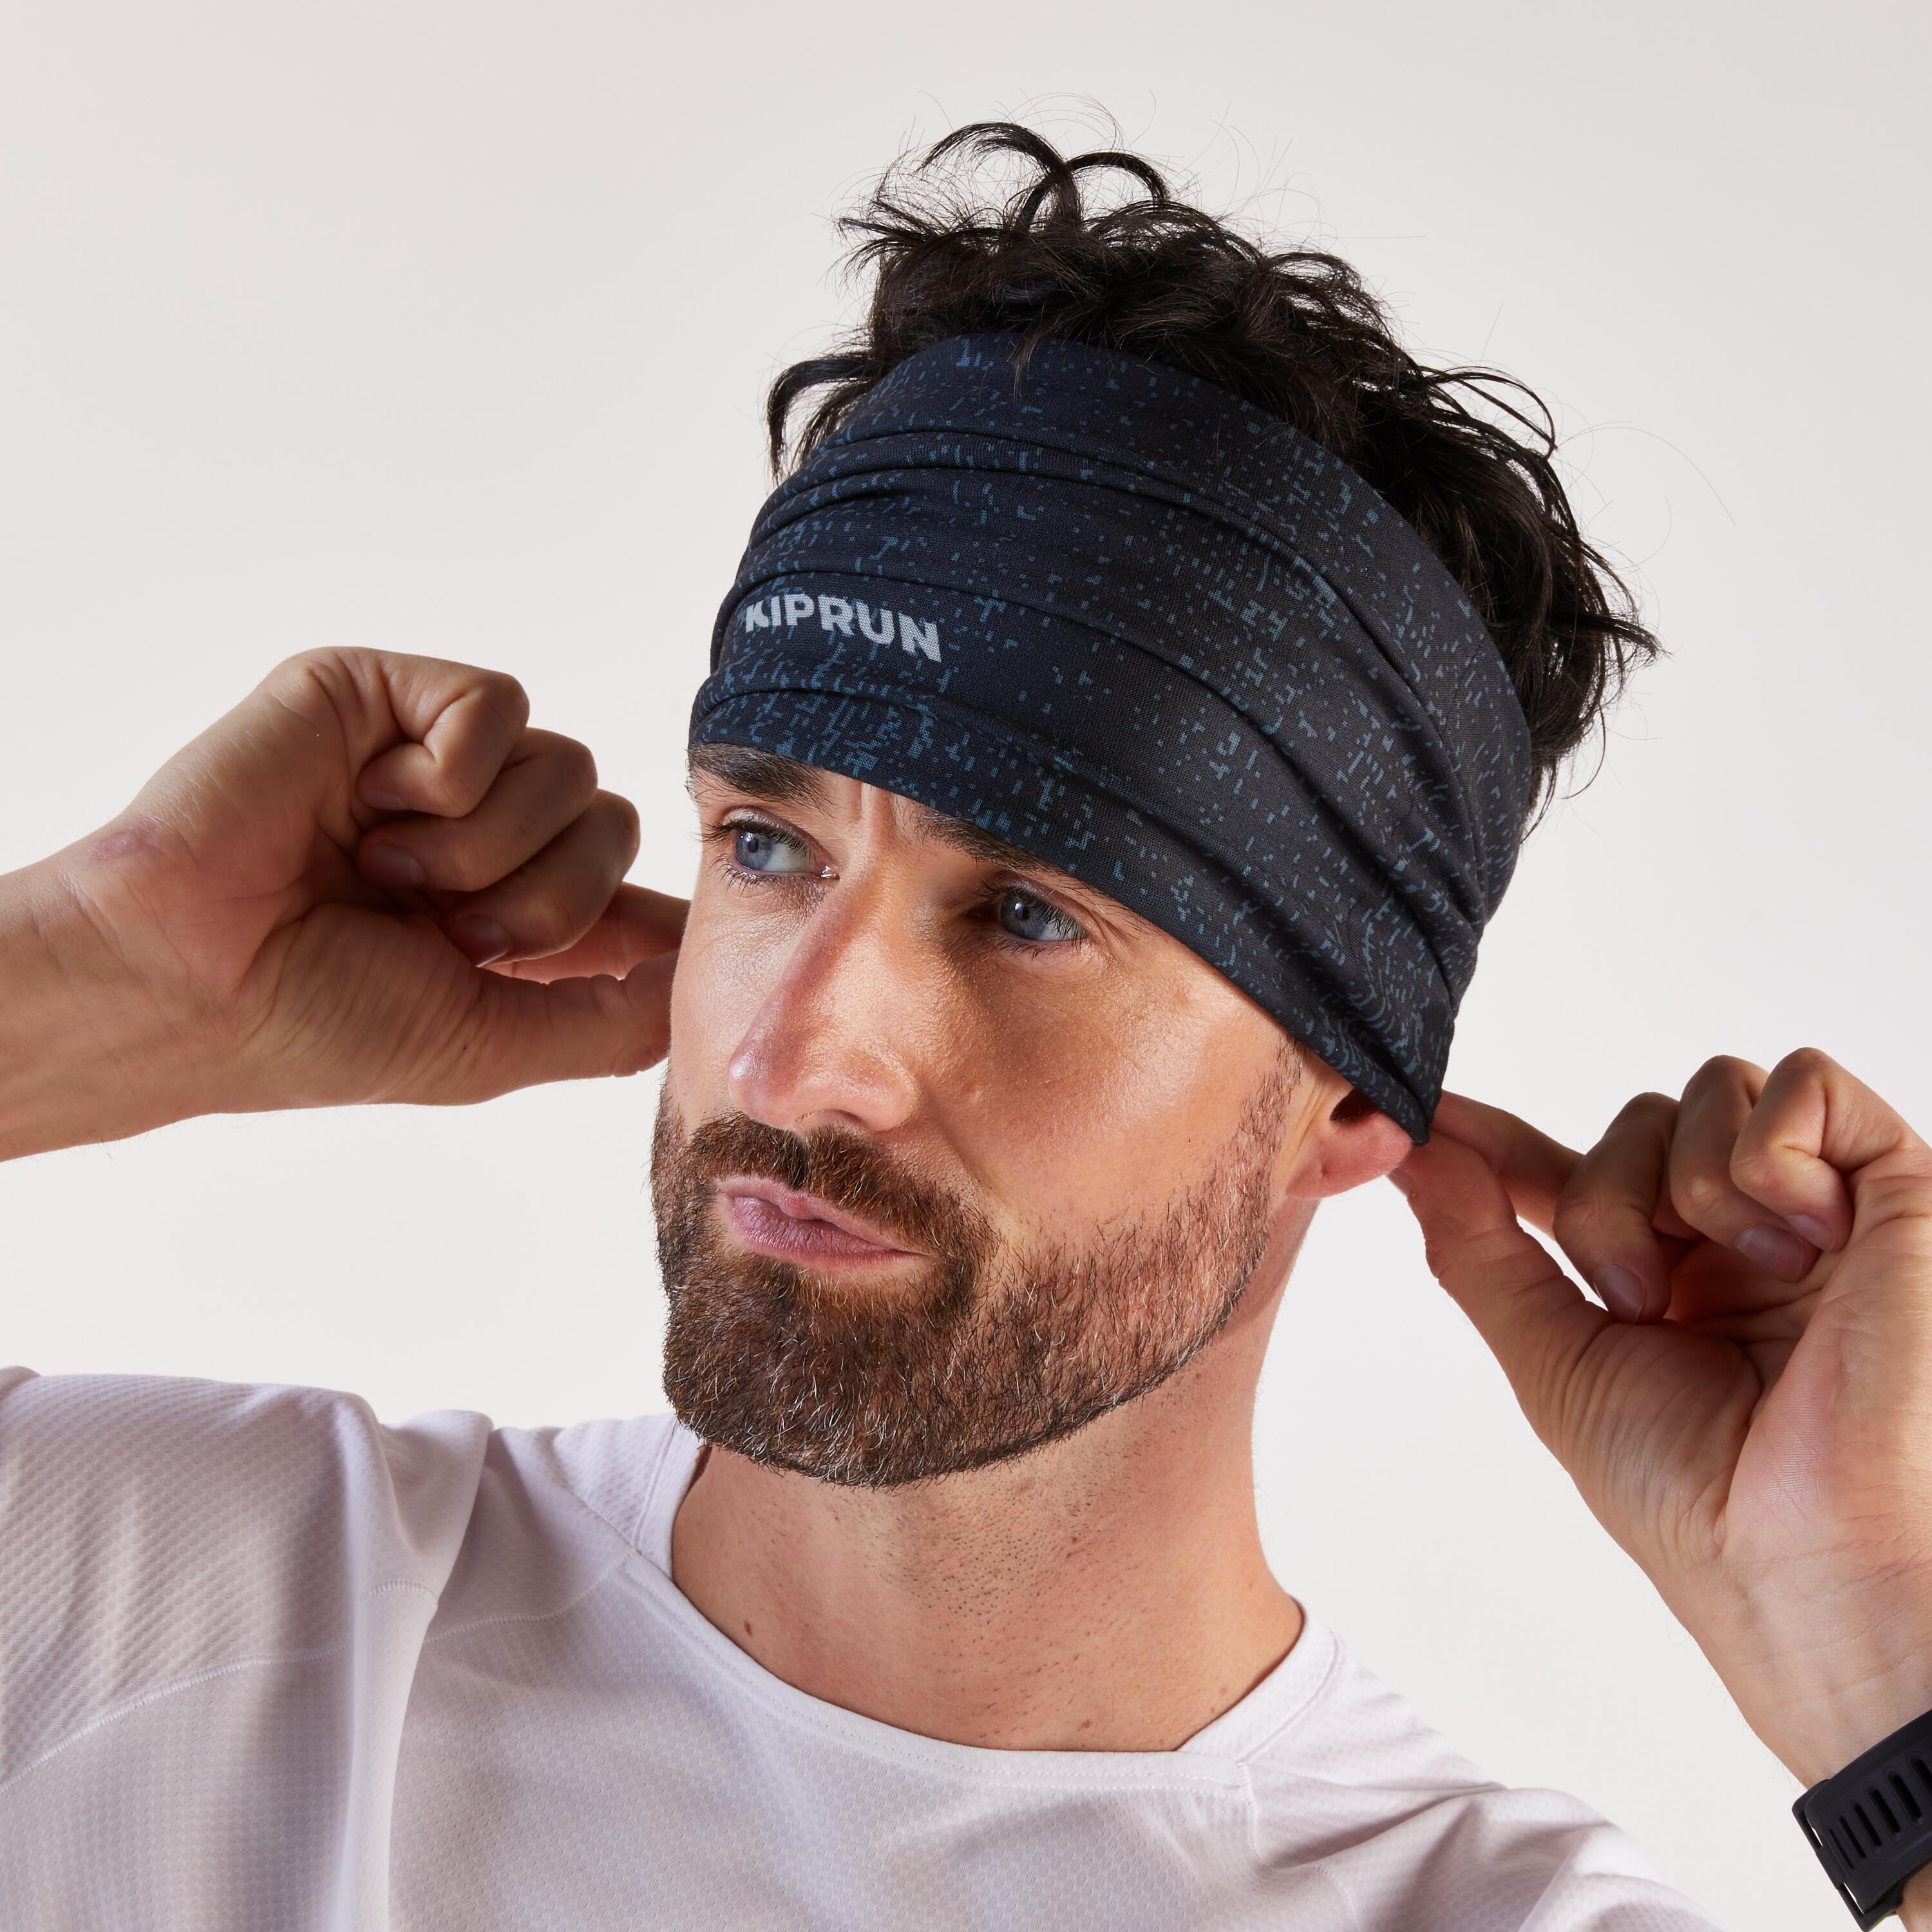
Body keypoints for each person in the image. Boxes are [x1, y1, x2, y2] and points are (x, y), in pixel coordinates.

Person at [3, 123, 1928, 1931]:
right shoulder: (147, 1610)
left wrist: (1882, 1652)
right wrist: (90, 983)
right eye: (769, 847)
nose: (793, 1059)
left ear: (1343, 1094)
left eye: (1025, 914)